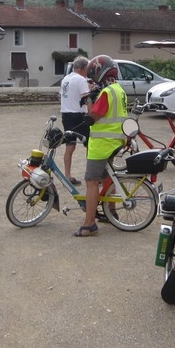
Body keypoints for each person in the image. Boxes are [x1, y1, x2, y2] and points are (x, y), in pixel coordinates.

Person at [73, 55, 128, 237]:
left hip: (102, 144)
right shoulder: (118, 89)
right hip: (115, 140)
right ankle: (111, 212)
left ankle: (89, 224)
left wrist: (88, 99)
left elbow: (93, 117)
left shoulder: (106, 93)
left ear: (100, 72)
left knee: (91, 181)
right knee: (107, 177)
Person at [59, 56, 91, 185]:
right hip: (78, 115)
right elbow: (87, 98)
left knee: (70, 146)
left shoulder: (66, 79)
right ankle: (92, 174)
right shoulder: (81, 79)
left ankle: (67, 175)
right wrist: (91, 114)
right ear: (83, 68)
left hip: (66, 115)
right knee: (90, 144)